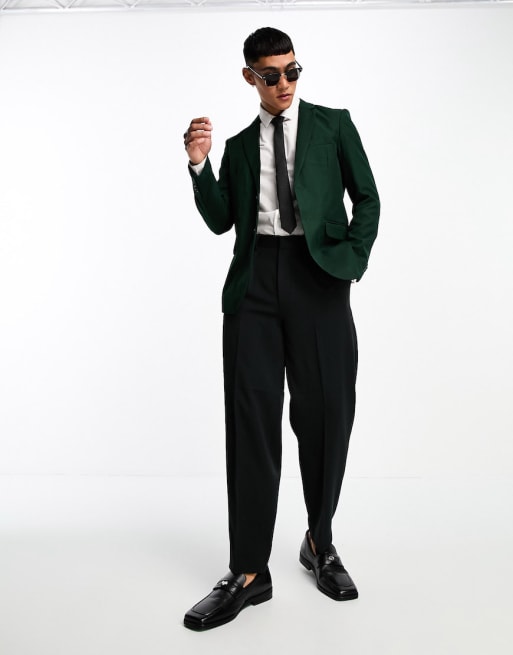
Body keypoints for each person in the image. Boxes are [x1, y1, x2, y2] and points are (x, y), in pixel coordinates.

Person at [182, 26, 379, 631]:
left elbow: (367, 199)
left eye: (293, 71)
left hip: (318, 278)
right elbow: (221, 220)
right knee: (251, 423)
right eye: (272, 75)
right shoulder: (241, 146)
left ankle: (320, 542)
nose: (285, 83)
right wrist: (199, 166)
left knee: (326, 415)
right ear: (251, 78)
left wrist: (349, 260)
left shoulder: (333, 125)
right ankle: (248, 571)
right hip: (256, 286)